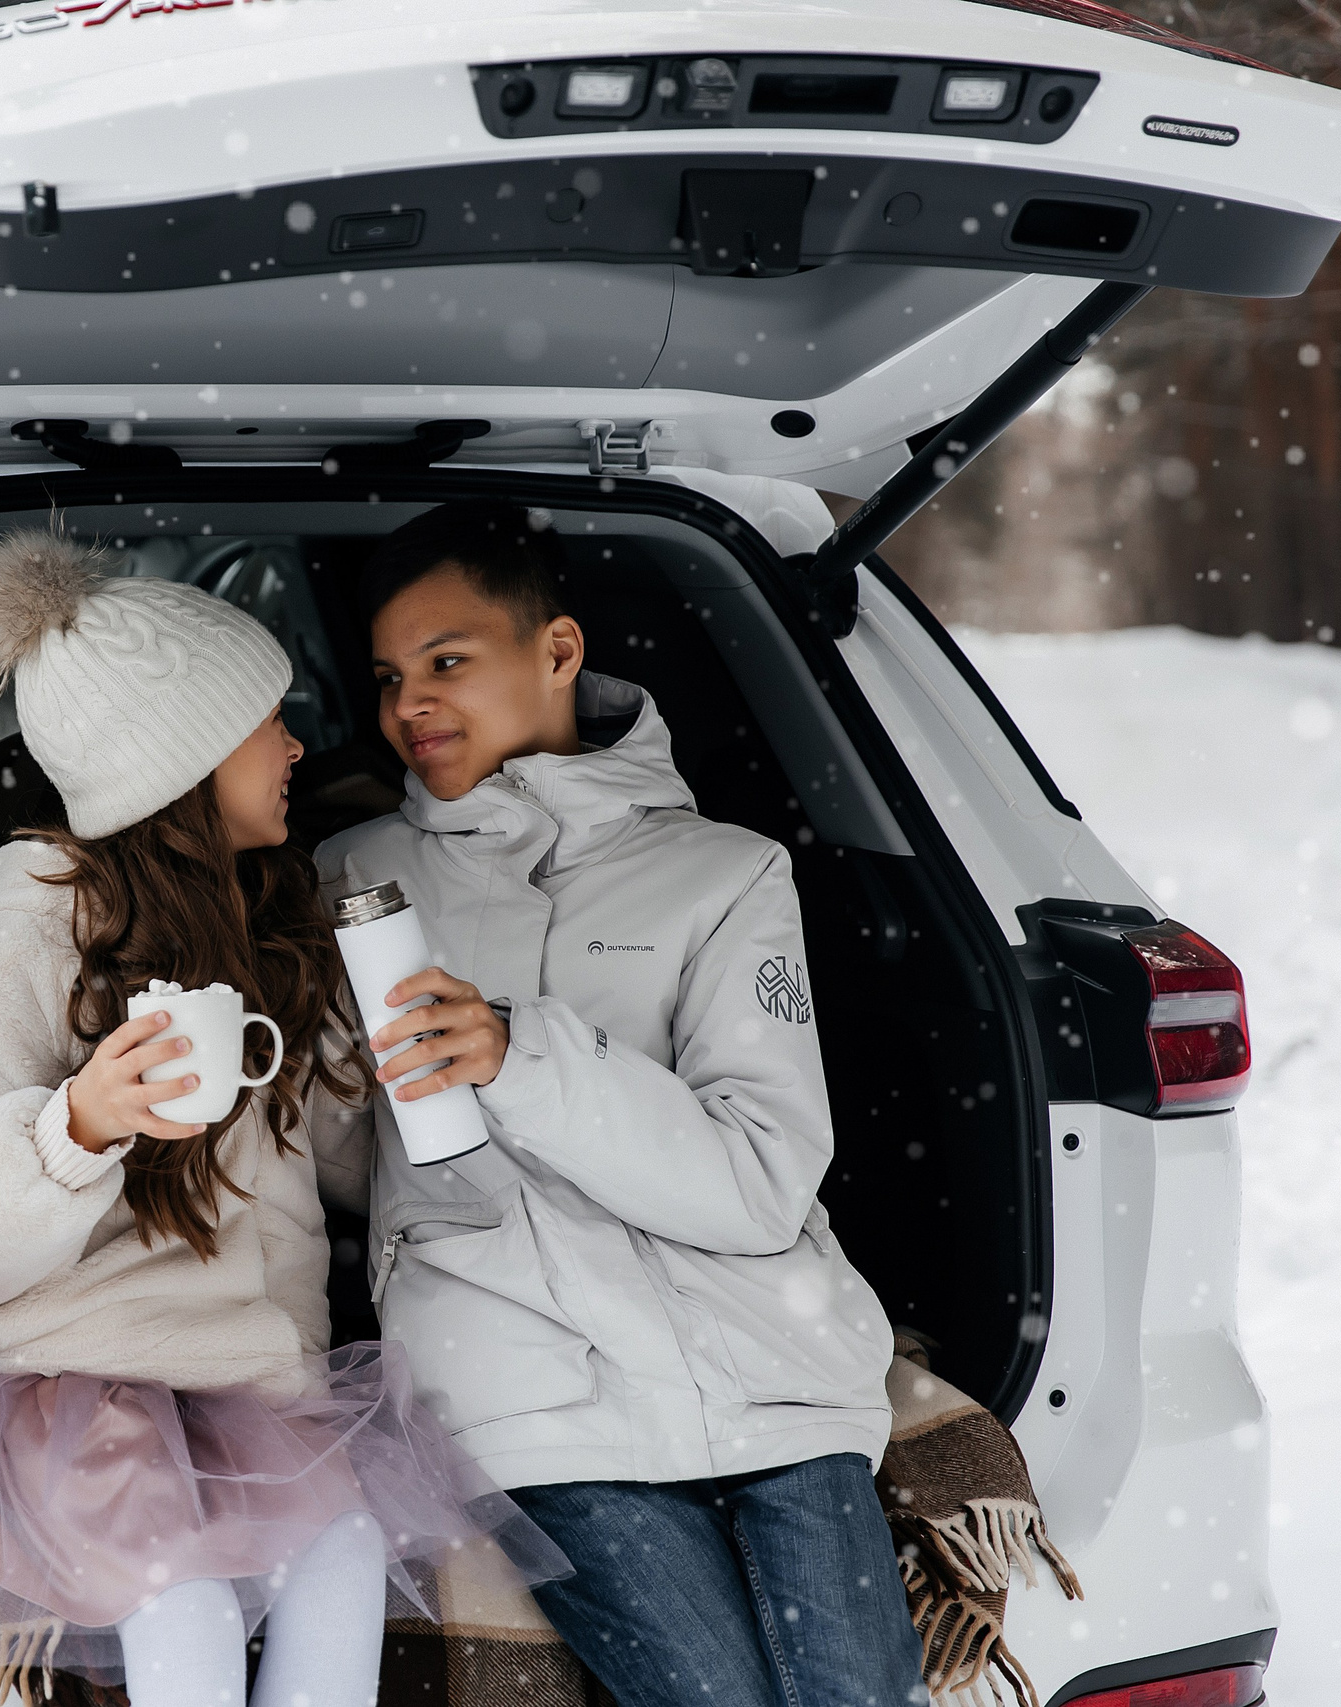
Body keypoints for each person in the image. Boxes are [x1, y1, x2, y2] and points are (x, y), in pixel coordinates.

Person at [0, 528, 568, 1707]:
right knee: (182, 1601)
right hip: (73, 1380)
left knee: (348, 1561)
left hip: (253, 1378)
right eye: (270, 722)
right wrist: (79, 1125)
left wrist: (382, 1054)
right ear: (184, 760)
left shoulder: (277, 914)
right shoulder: (32, 911)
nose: (301, 743)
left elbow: (342, 1172)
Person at [314, 501, 925, 1707]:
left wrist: (519, 1058)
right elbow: (341, 1171)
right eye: (389, 676)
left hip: (774, 1376)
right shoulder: (352, 880)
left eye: (447, 661)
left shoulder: (724, 872)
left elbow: (757, 1186)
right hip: (529, 1396)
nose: (409, 705)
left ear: (556, 650)